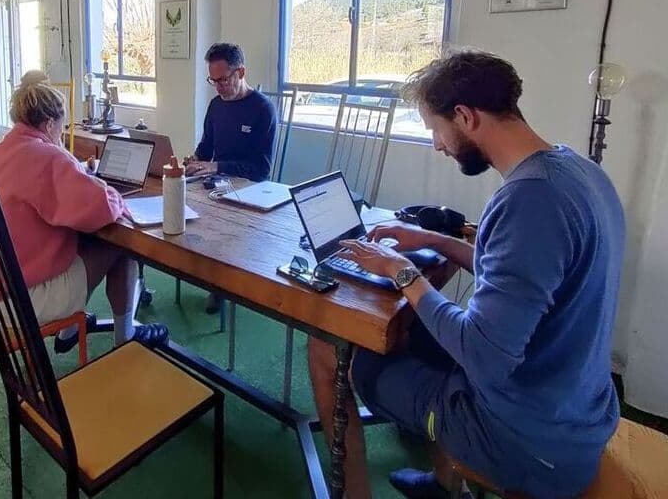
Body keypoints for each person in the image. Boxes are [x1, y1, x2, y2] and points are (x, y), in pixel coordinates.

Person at [308, 50, 624, 499]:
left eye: (437, 130)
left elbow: (484, 353)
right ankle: (443, 484)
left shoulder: (527, 202)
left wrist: (402, 273)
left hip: (522, 441)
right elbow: (527, 280)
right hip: (573, 410)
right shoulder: (577, 171)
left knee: (330, 347)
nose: (438, 145)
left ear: (465, 116)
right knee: (420, 329)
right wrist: (434, 241)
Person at [0, 71, 168, 351]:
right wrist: (103, 186)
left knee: (80, 238)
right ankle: (126, 335)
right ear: (50, 123)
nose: (61, 133)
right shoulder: (46, 156)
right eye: (61, 127)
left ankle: (71, 327)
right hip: (14, 300)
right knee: (121, 246)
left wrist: (79, 176)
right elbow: (101, 206)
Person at [186, 42, 278, 313]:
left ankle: (222, 282)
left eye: (223, 79)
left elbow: (262, 170)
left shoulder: (263, 109)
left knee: (216, 217)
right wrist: (193, 162)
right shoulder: (216, 106)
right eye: (213, 81)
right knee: (177, 200)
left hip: (251, 188)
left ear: (241, 72)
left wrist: (214, 166)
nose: (219, 86)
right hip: (217, 184)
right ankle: (200, 272)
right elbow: (205, 149)